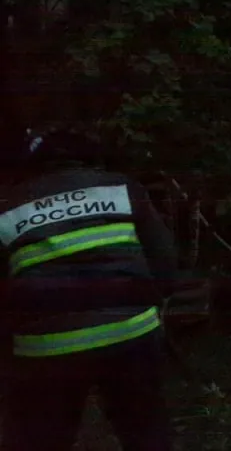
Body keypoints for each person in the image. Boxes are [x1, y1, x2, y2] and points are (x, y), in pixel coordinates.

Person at [0, 127, 178, 451]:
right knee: (146, 433)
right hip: (131, 333)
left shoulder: (7, 209)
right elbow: (165, 264)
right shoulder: (122, 189)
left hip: (46, 347)